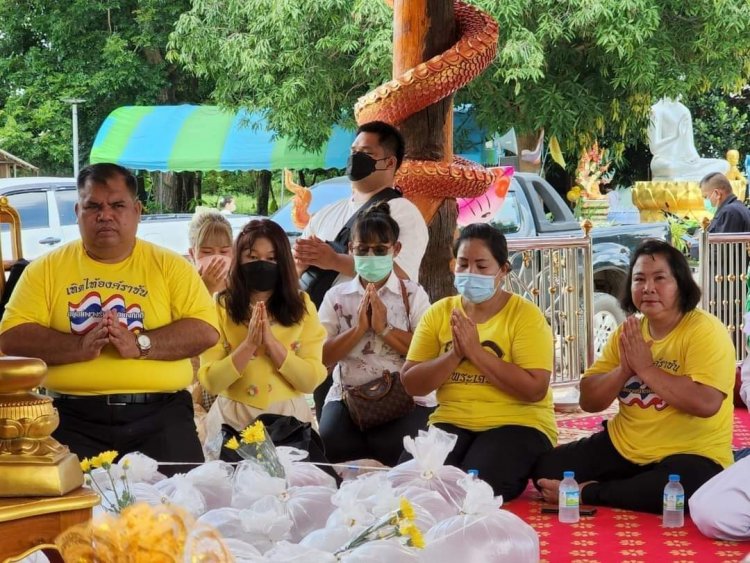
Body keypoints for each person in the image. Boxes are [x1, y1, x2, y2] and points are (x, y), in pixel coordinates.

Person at [0, 163, 219, 468]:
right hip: (70, 419)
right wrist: (76, 347)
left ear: (137, 210)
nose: (105, 215)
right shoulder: (45, 269)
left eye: (117, 205)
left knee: (182, 509)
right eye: (93, 206)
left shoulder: (171, 266)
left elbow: (205, 330)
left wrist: (141, 344)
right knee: (74, 515)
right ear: (78, 211)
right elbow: (11, 336)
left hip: (162, 417)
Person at [533, 239, 735, 514]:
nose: (648, 288)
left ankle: (591, 492)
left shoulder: (705, 331)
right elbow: (590, 400)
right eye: (639, 279)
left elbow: (706, 403)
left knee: (683, 488)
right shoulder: (628, 332)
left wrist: (648, 369)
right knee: (547, 470)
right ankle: (630, 487)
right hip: (624, 445)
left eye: (660, 278)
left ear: (681, 284)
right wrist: (624, 370)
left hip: (690, 454)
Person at [400, 223, 556, 500]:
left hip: (517, 422)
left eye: (482, 267)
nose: (471, 273)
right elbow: (411, 382)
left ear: (503, 270)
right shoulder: (440, 313)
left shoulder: (525, 316)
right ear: (453, 265)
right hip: (451, 420)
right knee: (412, 483)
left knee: (475, 488)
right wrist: (455, 355)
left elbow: (535, 389)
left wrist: (477, 352)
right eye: (463, 264)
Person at [293, 120, 428, 416]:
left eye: (365, 152)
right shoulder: (327, 214)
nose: (355, 157)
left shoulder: (403, 213)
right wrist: (300, 266)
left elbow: (402, 275)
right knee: (331, 430)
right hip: (326, 339)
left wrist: (333, 260)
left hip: (382, 349)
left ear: (389, 162)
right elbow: (294, 274)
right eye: (354, 150)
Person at [198, 219, 327, 459]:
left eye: (271, 258)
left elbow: (309, 381)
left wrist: (273, 345)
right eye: (252, 257)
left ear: (283, 262)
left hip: (290, 424)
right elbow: (212, 381)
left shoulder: (302, 305)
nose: (262, 265)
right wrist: (247, 347)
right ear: (239, 260)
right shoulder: (220, 305)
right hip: (231, 421)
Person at [318, 202, 434, 467]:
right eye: (363, 250)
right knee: (333, 446)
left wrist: (384, 329)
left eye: (380, 250)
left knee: (400, 448)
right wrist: (359, 329)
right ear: (351, 250)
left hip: (406, 395)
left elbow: (426, 352)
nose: (371, 256)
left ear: (396, 250)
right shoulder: (336, 297)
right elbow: (321, 355)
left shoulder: (413, 294)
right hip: (349, 395)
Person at [648, 97, 729, 181]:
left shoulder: (684, 111)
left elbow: (689, 146)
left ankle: (690, 175)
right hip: (664, 160)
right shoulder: (656, 110)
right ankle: (691, 174)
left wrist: (693, 159)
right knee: (670, 168)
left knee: (724, 165)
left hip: (683, 161)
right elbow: (654, 148)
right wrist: (676, 136)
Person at [188, 211, 234, 295]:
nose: (216, 258)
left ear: (233, 253)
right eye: (207, 252)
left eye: (224, 251)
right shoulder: (183, 287)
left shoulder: (242, 289)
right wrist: (204, 290)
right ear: (192, 254)